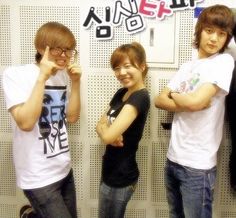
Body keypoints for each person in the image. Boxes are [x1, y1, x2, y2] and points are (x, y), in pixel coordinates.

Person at [154, 4, 234, 218]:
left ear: (227, 38)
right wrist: (187, 101)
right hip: (173, 159)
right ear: (199, 30)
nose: (214, 39)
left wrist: (179, 97)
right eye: (209, 30)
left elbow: (195, 103)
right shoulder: (186, 67)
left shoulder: (224, 62)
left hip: (198, 167)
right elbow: (159, 100)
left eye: (222, 34)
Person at [3, 22, 81, 218]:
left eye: (69, 50)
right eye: (57, 49)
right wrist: (42, 77)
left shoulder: (63, 76)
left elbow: (71, 117)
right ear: (40, 47)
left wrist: (76, 82)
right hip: (38, 176)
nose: (64, 55)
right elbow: (26, 123)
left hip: (63, 168)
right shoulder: (15, 74)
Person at [96, 42, 150, 218]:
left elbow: (106, 135)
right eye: (117, 68)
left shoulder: (140, 97)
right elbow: (99, 125)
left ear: (142, 66)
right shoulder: (121, 93)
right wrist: (106, 131)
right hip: (108, 170)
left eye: (127, 66)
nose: (121, 73)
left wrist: (108, 133)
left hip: (122, 176)